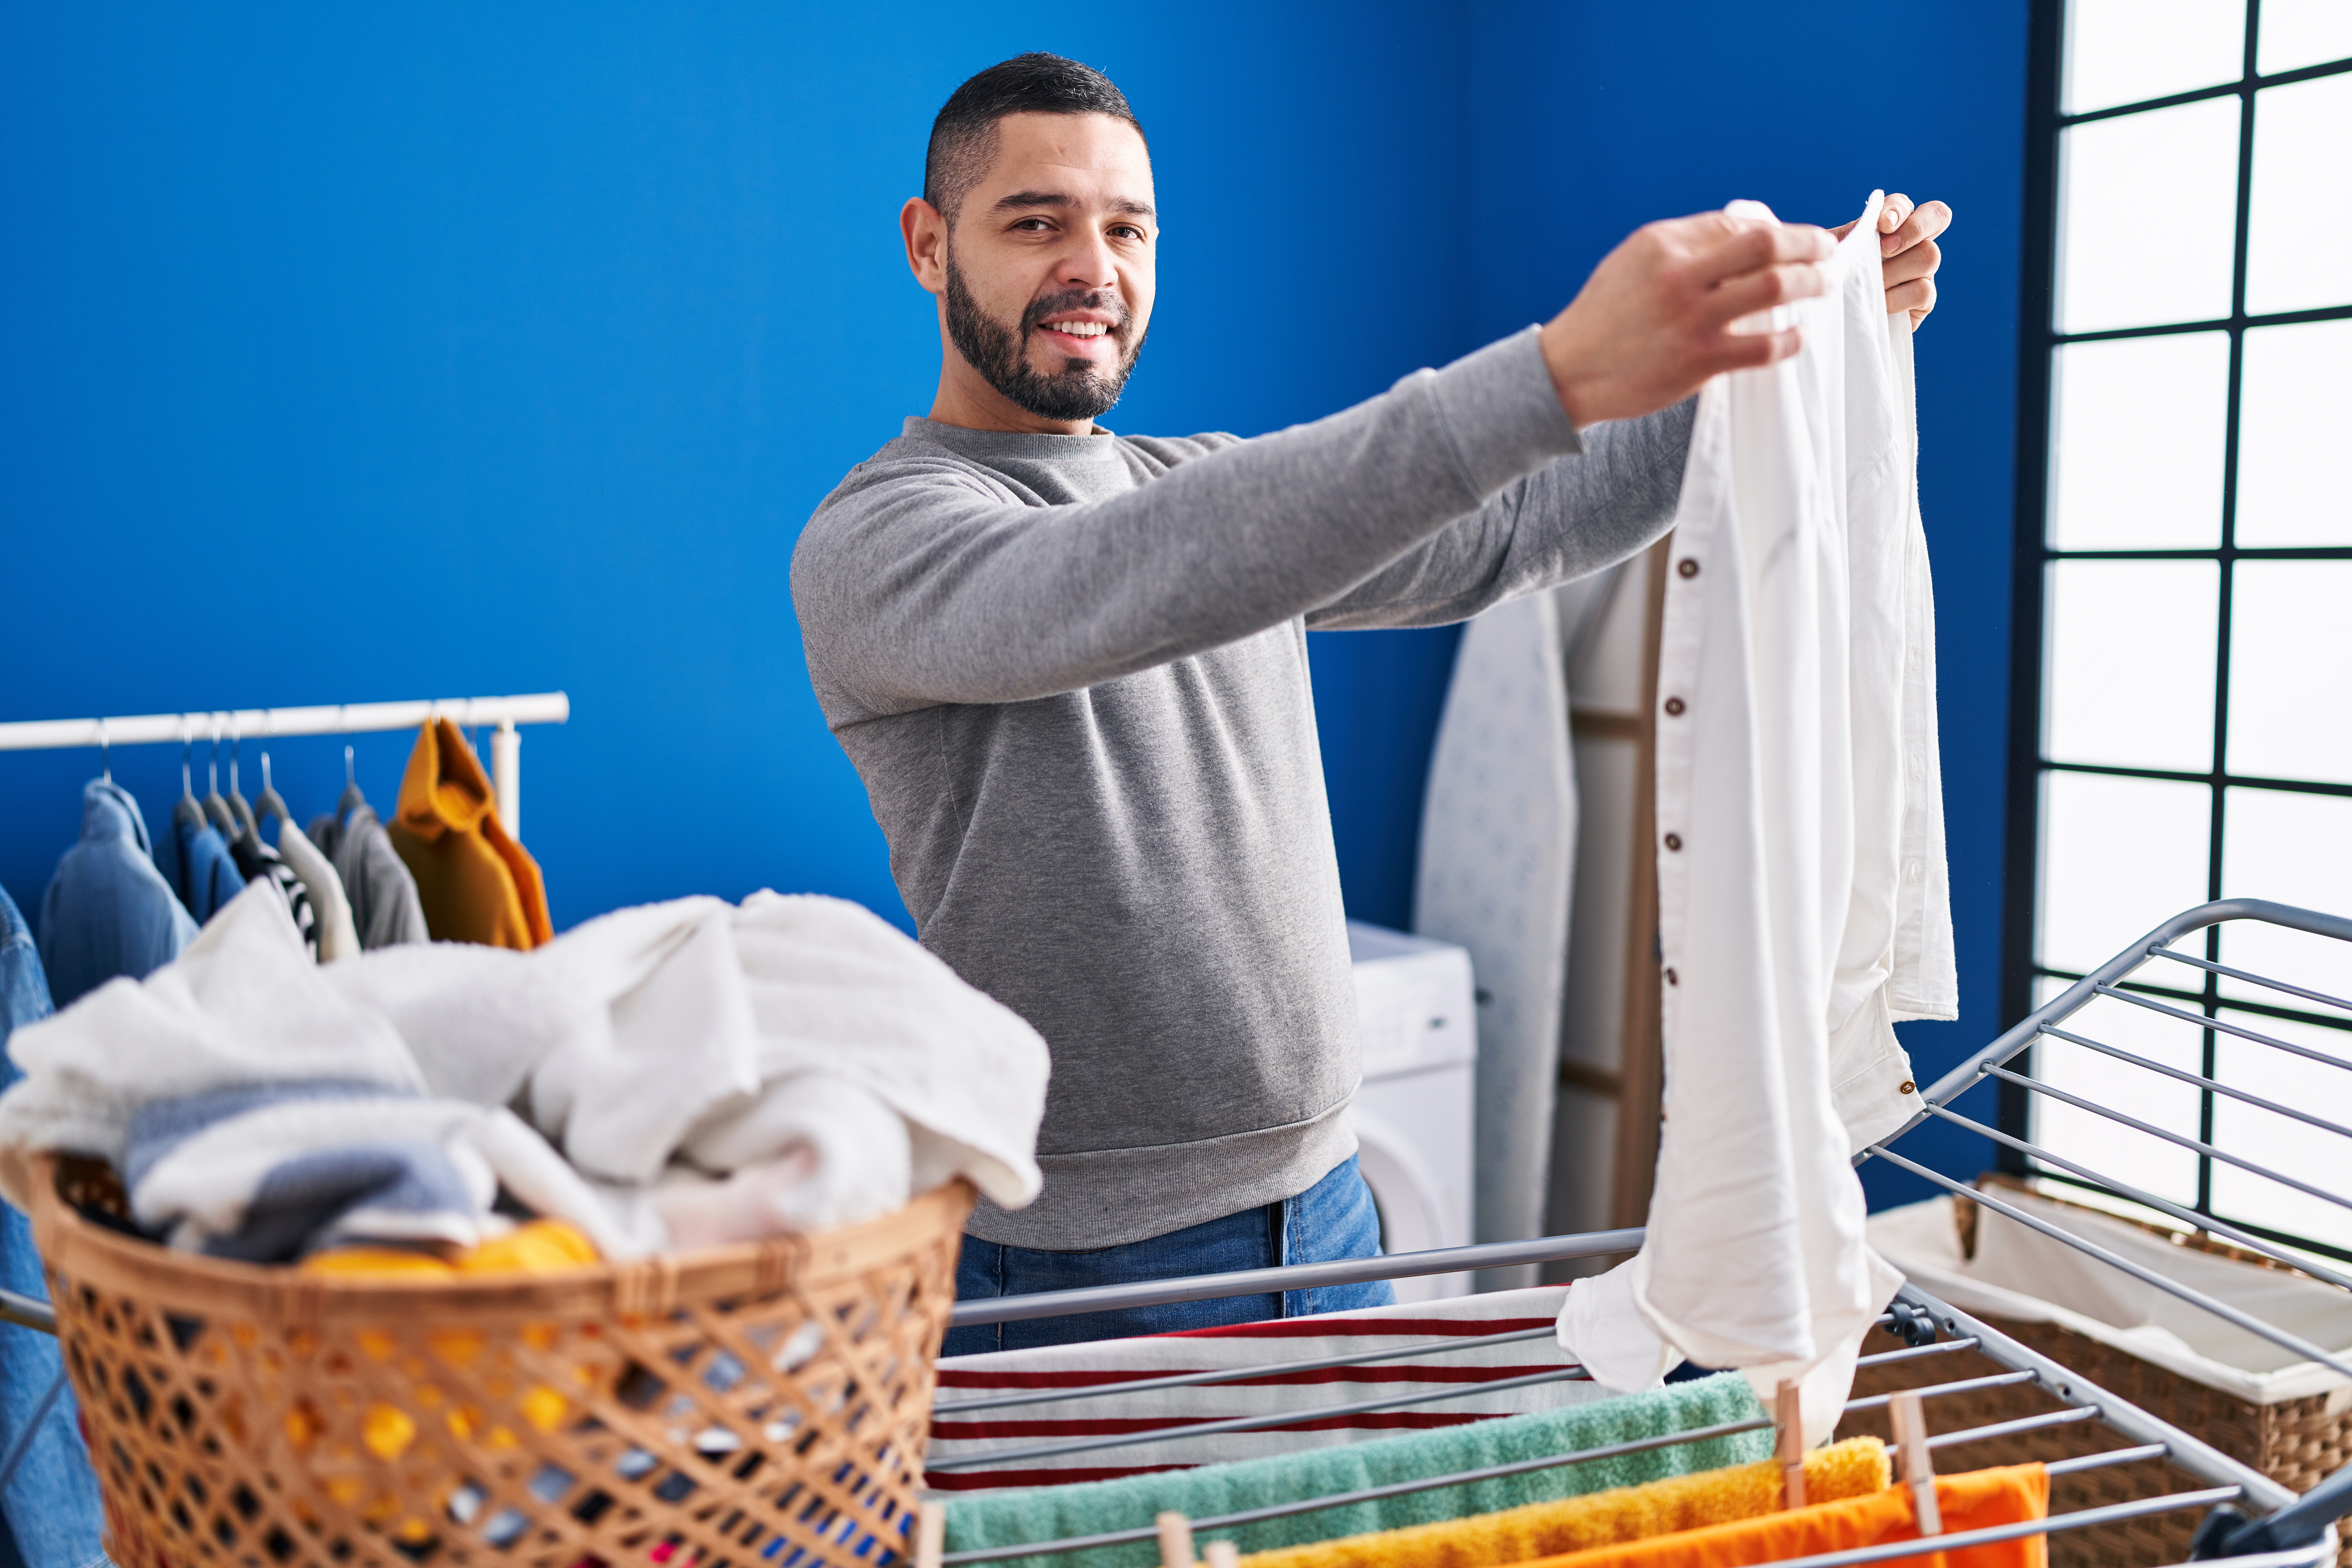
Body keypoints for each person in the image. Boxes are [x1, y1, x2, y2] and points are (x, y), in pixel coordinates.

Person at [792, 53, 1950, 1352]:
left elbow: (1525, 522)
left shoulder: (1203, 488)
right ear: (928, 245)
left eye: (1128, 229)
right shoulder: (878, 541)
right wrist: (1558, 367)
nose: (1093, 268)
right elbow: (1134, 578)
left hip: (1334, 1223)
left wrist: (1800, 353)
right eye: (1038, 222)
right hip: (1082, 1273)